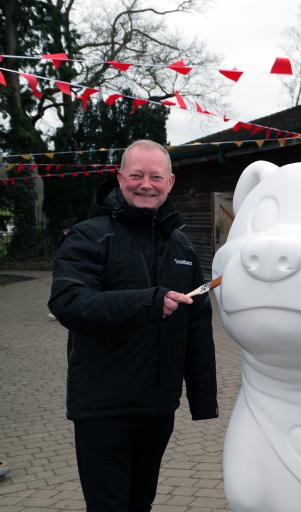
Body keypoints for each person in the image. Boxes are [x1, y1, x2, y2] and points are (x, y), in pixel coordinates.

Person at [48, 139, 218, 511]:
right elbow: (68, 302)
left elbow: (197, 328)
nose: (146, 184)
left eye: (156, 177)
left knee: (141, 502)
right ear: (120, 177)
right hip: (103, 407)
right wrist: (149, 301)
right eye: (137, 175)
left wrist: (203, 400)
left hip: (158, 407)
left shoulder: (182, 247)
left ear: (169, 183)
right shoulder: (89, 236)